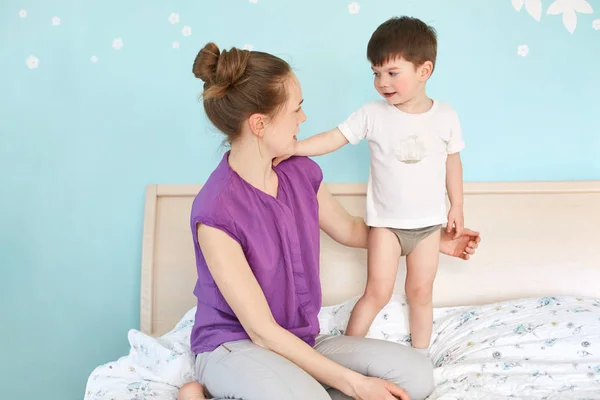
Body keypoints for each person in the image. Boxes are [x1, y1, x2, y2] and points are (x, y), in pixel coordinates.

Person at [177, 41, 480, 400]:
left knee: (414, 376)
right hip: (236, 344)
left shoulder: (299, 173)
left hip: (300, 340)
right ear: (259, 123)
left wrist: (427, 238)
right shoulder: (216, 210)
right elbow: (261, 331)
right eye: (296, 109)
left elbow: (352, 230)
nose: (303, 119)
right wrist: (354, 383)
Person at [273, 16, 464, 356]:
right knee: (376, 291)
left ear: (424, 70)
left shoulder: (446, 115)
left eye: (392, 73)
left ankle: (422, 356)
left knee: (421, 292)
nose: (382, 82)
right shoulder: (372, 114)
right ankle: (346, 355)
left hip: (429, 226)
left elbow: (452, 160)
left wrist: (457, 206)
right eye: (376, 73)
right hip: (386, 226)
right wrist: (294, 148)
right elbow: (335, 137)